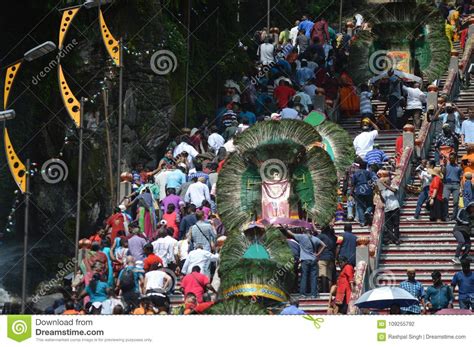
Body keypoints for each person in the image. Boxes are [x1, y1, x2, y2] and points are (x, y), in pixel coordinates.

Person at [282, 228, 326, 299]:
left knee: (304, 277)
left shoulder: (301, 237)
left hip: (305, 260)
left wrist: (284, 227)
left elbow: (290, 233)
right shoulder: (315, 238)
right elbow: (324, 245)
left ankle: (303, 294)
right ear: (311, 232)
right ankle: (313, 294)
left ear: (304, 232)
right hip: (313, 260)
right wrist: (318, 254)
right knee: (313, 277)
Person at [377, 177, 401, 245]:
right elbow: (383, 201)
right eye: (384, 182)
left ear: (389, 182)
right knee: (389, 226)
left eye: (386, 181)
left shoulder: (394, 186)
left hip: (395, 207)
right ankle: (391, 239)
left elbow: (394, 191)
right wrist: (379, 192)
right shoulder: (383, 191)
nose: (385, 182)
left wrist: (385, 185)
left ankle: (396, 239)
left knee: (396, 224)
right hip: (387, 209)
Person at [351, 161, 375, 226]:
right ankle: (368, 211)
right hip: (367, 189)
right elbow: (375, 179)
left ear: (359, 166)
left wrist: (351, 192)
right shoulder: (368, 172)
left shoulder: (355, 174)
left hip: (359, 190)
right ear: (366, 166)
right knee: (370, 204)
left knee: (359, 206)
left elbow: (352, 184)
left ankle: (362, 221)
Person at [442, 152, 462, 221]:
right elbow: (442, 173)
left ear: (455, 159)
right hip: (447, 184)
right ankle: (446, 216)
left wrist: (461, 188)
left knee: (456, 201)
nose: (451, 159)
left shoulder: (458, 167)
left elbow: (461, 178)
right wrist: (443, 165)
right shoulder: (446, 166)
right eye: (450, 158)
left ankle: (454, 216)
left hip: (456, 185)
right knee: (445, 200)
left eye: (452, 158)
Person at [317, 225, 337, 293]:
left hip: (323, 257)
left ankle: (324, 291)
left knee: (323, 275)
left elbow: (315, 241)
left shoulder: (321, 236)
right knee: (329, 276)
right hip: (331, 258)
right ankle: (329, 291)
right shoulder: (333, 237)